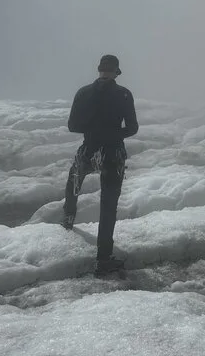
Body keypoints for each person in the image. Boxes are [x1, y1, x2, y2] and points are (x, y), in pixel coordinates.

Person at [62, 54, 139, 275]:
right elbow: (132, 128)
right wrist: (115, 133)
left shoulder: (83, 93)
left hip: (89, 148)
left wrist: (93, 130)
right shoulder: (124, 94)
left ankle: (68, 221)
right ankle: (104, 257)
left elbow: (72, 126)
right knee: (108, 203)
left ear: (99, 70)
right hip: (113, 152)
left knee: (73, 184)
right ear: (116, 72)